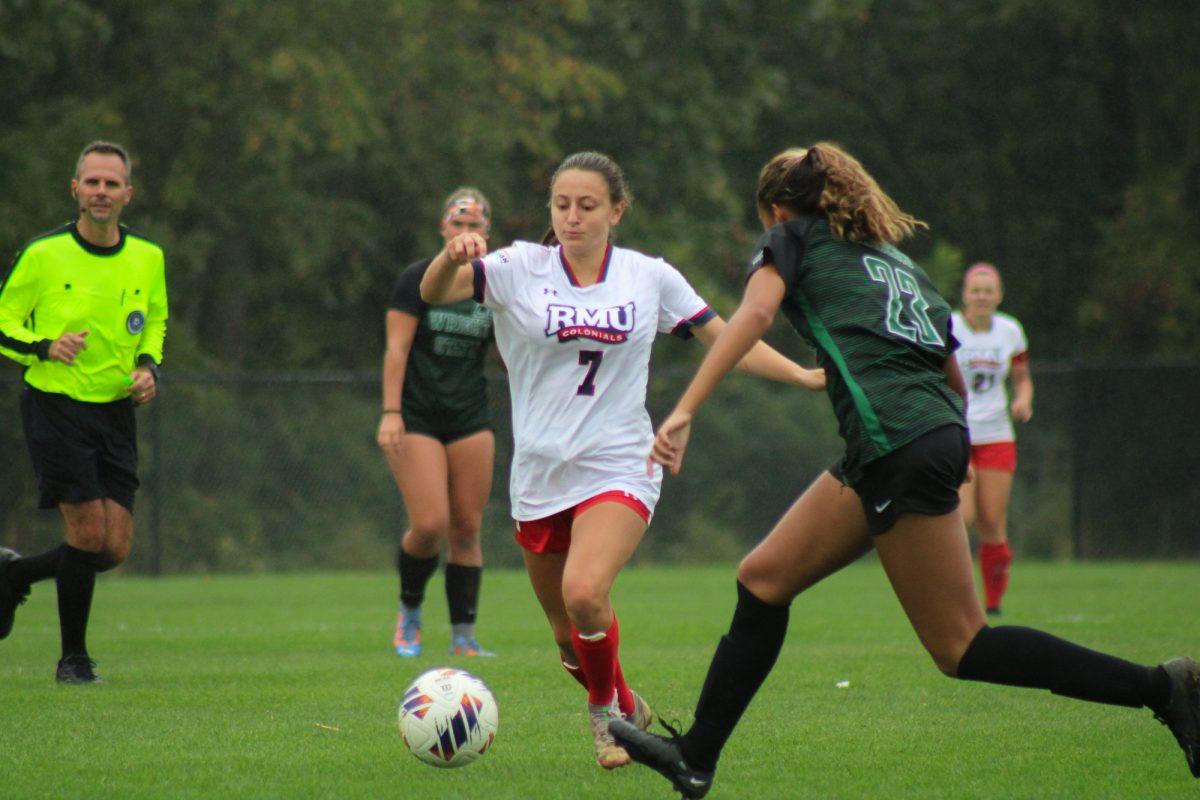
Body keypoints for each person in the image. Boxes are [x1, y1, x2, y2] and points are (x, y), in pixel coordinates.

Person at [609, 143, 1200, 797]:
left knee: (962, 646)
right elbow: (949, 364)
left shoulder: (790, 239)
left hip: (899, 443)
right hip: (914, 438)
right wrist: (954, 442)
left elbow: (752, 316)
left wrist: (685, 408)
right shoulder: (895, 263)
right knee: (764, 578)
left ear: (777, 210)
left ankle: (1162, 688)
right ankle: (695, 757)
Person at [419, 151, 825, 769]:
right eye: (562, 205)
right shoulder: (516, 267)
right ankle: (628, 705)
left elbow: (731, 338)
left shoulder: (648, 277)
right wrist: (450, 256)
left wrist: (803, 375)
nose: (573, 217)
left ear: (616, 209)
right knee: (566, 640)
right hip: (538, 475)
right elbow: (433, 293)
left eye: (587, 205)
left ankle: (606, 718)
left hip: (620, 464)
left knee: (586, 594)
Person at [0, 140, 168, 684]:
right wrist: (44, 345)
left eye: (111, 183)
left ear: (128, 195)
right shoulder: (44, 254)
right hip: (55, 406)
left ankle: (15, 574)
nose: (101, 192)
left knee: (114, 548)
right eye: (91, 182)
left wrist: (148, 368)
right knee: (88, 533)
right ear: (75, 189)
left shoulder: (148, 256)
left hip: (115, 412)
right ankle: (73, 658)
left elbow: (155, 323)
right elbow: (4, 323)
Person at [379, 187, 497, 658]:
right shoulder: (417, 279)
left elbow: (513, 348)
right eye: (458, 225)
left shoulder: (495, 281)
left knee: (467, 528)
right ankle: (409, 611)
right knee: (430, 524)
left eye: (474, 226)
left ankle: (464, 637)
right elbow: (396, 349)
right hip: (418, 415)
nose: (466, 234)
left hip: (470, 416)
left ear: (486, 233)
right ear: (443, 230)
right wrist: (390, 413)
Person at [952, 263, 1033, 615]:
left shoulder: (1010, 330)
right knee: (961, 515)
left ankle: (993, 604)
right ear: (964, 294)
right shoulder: (948, 326)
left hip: (997, 434)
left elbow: (1022, 377)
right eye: (975, 290)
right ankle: (953, 596)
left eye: (988, 291)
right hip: (957, 431)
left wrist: (1023, 399)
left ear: (998, 295)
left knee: (991, 522)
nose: (982, 297)